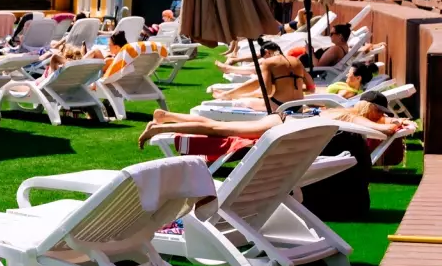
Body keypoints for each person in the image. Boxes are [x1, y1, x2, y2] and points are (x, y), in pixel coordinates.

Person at [137, 95, 410, 149]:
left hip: (282, 119)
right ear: (371, 109)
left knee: (214, 124)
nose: (381, 116)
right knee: (216, 128)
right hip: (279, 126)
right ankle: (160, 128)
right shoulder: (353, 116)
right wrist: (397, 124)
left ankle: (166, 116)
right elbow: (384, 130)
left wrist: (394, 121)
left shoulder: (344, 109)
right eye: (380, 112)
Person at [210, 40, 312, 108]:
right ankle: (229, 93)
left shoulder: (268, 62)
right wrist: (292, 88)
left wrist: (242, 95)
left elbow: (267, 92)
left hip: (280, 106)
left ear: (267, 52)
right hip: (299, 105)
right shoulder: (297, 61)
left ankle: (229, 94)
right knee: (260, 81)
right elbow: (311, 88)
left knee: (246, 101)